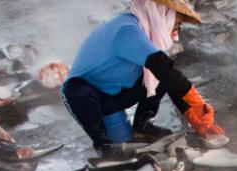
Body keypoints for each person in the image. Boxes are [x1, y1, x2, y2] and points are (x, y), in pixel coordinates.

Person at [62, 0, 226, 154]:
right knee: (77, 92)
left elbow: (169, 78)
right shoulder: (126, 30)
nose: (176, 33)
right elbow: (163, 67)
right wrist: (199, 105)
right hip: (90, 98)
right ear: (161, 15)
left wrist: (198, 121)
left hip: (116, 95)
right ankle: (102, 143)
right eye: (176, 25)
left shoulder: (152, 38)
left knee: (164, 75)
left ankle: (142, 125)